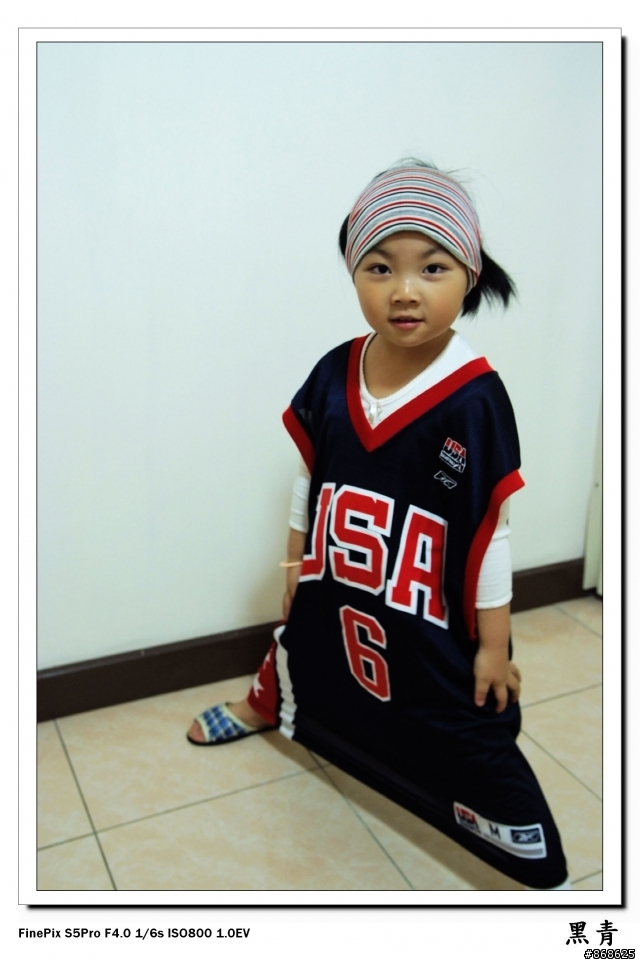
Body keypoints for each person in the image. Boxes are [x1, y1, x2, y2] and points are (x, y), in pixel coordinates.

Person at [187, 161, 570, 890]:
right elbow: (310, 480)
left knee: (467, 724)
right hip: (341, 583)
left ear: (470, 273)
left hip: (424, 608)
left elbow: (491, 531)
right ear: (353, 274)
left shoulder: (475, 398)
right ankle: (267, 701)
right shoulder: (334, 372)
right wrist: (295, 567)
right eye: (379, 267)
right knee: (301, 644)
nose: (404, 290)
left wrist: (494, 646)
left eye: (432, 267)